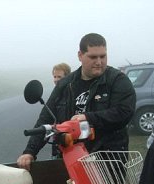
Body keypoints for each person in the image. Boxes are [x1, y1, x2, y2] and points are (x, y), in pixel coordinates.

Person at [17, 33, 135, 169]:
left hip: (108, 161)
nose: (99, 62)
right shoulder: (65, 84)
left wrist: (88, 118)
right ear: (80, 55)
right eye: (93, 57)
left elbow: (124, 112)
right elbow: (46, 118)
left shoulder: (117, 80)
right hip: (72, 160)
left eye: (103, 56)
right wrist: (30, 152)